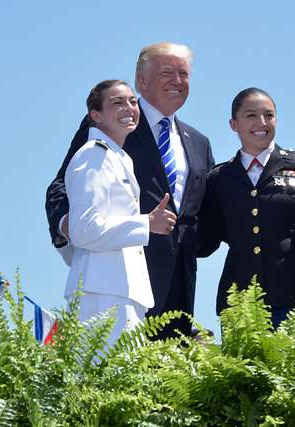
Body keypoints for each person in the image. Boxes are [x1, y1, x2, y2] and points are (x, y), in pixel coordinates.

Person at [46, 43, 214, 339]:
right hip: (116, 273)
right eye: (167, 72)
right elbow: (61, 186)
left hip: (180, 281)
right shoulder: (112, 126)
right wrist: (69, 228)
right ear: (142, 81)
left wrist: (198, 243)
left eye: (183, 74)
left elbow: (206, 209)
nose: (177, 81)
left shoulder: (199, 142)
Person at [198, 88, 295, 327]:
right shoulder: (218, 178)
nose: (261, 123)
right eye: (251, 115)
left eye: (268, 115)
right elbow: (210, 235)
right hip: (240, 303)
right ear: (233, 124)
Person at [64, 79, 177, 345]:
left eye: (132, 101)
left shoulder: (117, 157)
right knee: (107, 381)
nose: (129, 107)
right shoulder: (94, 156)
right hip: (103, 293)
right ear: (96, 115)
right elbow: (83, 229)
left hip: (120, 291)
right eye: (117, 103)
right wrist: (146, 224)